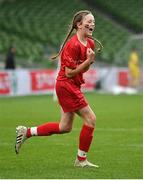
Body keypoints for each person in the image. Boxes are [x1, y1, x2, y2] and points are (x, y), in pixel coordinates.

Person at [15, 10, 99, 168]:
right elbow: (68, 73)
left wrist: (89, 62)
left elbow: (82, 70)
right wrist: (88, 61)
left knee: (64, 127)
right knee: (91, 119)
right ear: (78, 25)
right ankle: (81, 160)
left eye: (93, 21)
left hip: (72, 85)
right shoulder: (72, 45)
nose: (92, 24)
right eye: (89, 21)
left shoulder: (90, 43)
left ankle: (26, 131)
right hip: (66, 85)